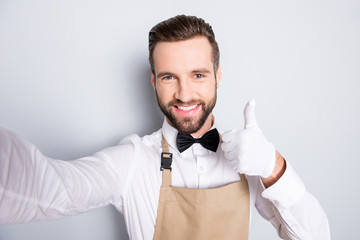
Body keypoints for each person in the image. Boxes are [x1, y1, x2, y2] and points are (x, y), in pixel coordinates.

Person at [0, 15, 330, 240]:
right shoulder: (131, 161)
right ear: (154, 81)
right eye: (169, 77)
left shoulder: (251, 161)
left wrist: (274, 166)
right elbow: (54, 191)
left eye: (198, 75)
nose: (184, 93)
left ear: (218, 76)